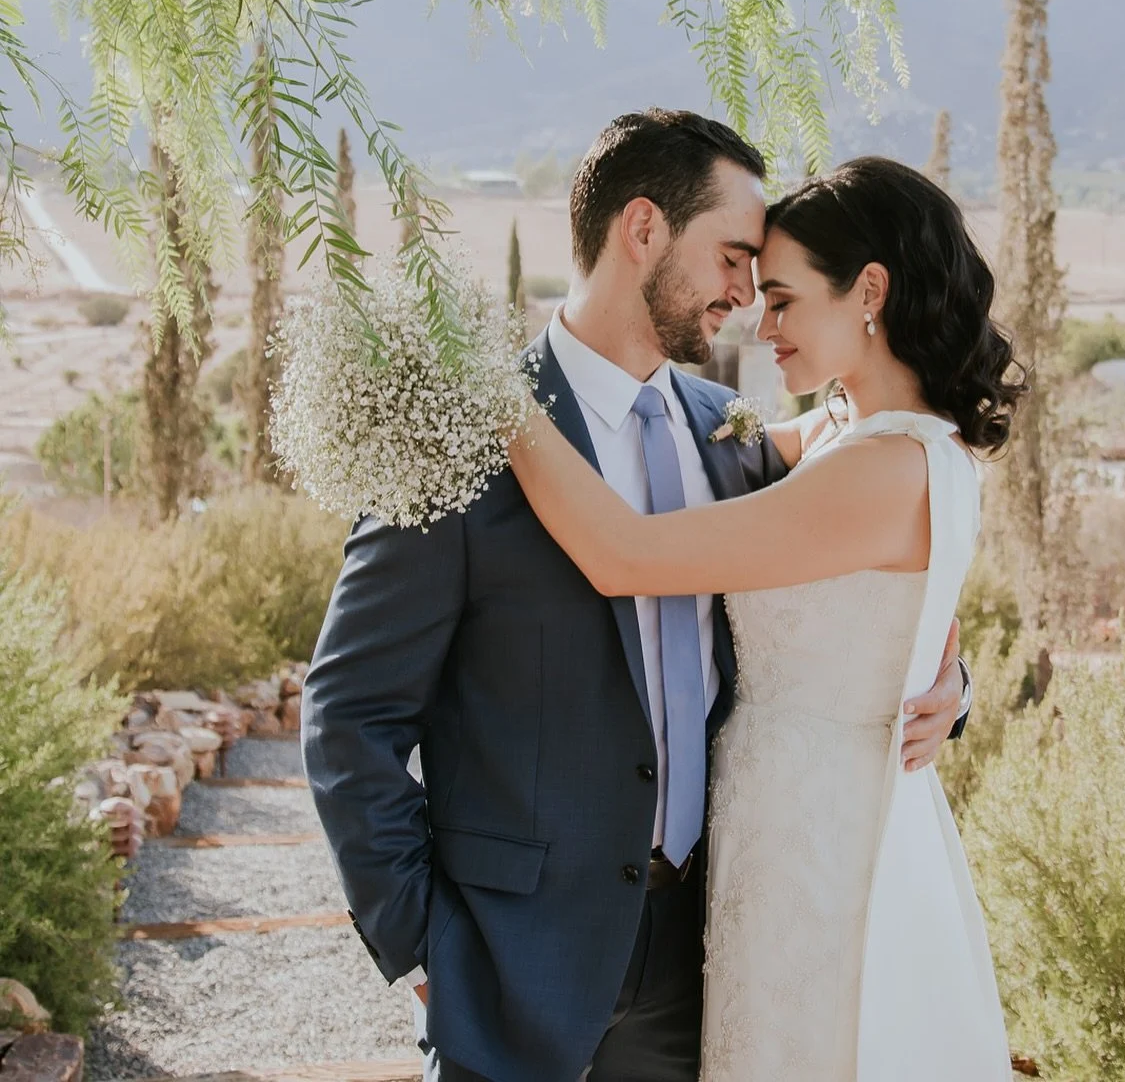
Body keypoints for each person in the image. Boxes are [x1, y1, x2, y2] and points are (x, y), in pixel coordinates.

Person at [301, 113, 969, 1082]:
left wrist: (950, 681)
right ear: (643, 229)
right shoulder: (457, 437)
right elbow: (347, 714)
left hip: (710, 963)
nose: (747, 296)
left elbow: (854, 587)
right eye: (734, 257)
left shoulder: (732, 436)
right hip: (511, 972)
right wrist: (421, 948)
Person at [506, 155, 1023, 1080]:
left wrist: (490, 398)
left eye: (782, 299)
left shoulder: (890, 468)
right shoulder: (837, 432)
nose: (760, 320)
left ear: (869, 291)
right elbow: (885, 612)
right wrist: (950, 674)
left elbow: (626, 555)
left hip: (824, 849)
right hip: (768, 832)